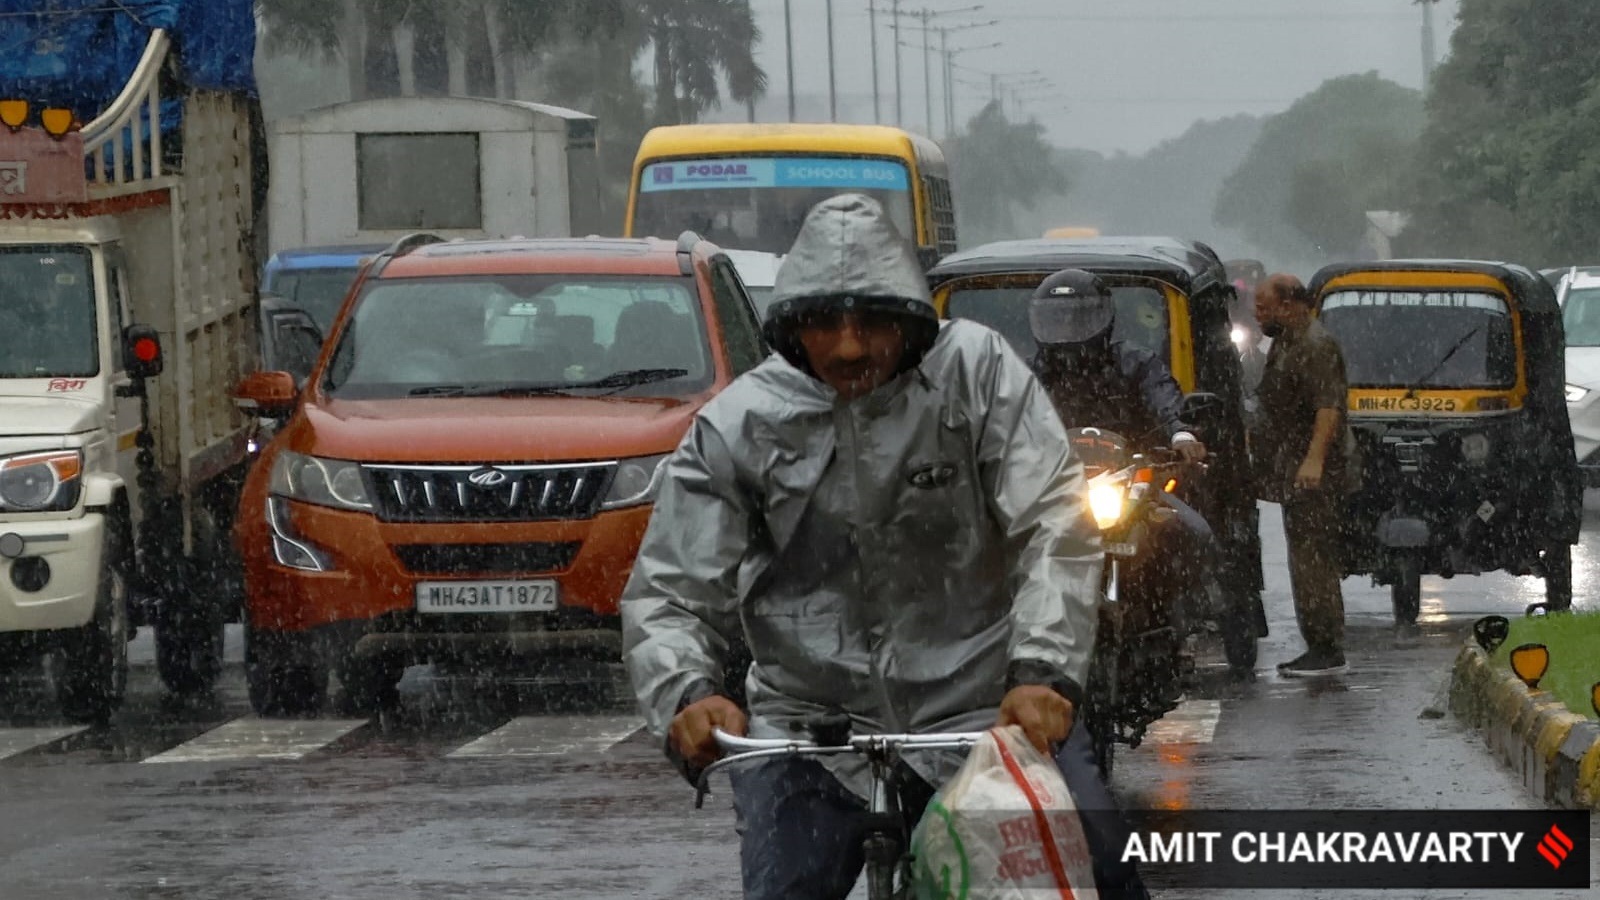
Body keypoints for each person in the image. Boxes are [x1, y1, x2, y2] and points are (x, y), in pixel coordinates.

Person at [620, 194, 1147, 899]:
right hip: (807, 731)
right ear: (790, 327)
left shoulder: (977, 375)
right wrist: (688, 690)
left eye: (871, 321)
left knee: (1102, 865)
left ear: (909, 320)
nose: (848, 346)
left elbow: (1051, 523)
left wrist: (1043, 673)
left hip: (985, 711)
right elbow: (670, 589)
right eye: (824, 323)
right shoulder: (739, 423)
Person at [1026, 269, 1236, 663]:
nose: (1069, 328)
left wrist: (1181, 435)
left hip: (1132, 481)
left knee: (1195, 532)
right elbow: (1004, 417)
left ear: (1104, 318)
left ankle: (1192, 615)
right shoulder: (1031, 373)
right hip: (1055, 488)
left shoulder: (1135, 363)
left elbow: (1165, 399)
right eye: (1059, 317)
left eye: (1079, 316)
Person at [1252, 273, 1351, 677]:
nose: (1258, 315)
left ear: (1290, 305)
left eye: (1264, 307)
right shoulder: (1286, 341)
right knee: (1303, 554)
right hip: (1292, 464)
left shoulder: (1316, 345)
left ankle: (1326, 646)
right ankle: (1319, 643)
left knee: (1313, 558)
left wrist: (1314, 461)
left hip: (1316, 471)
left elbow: (1328, 408)